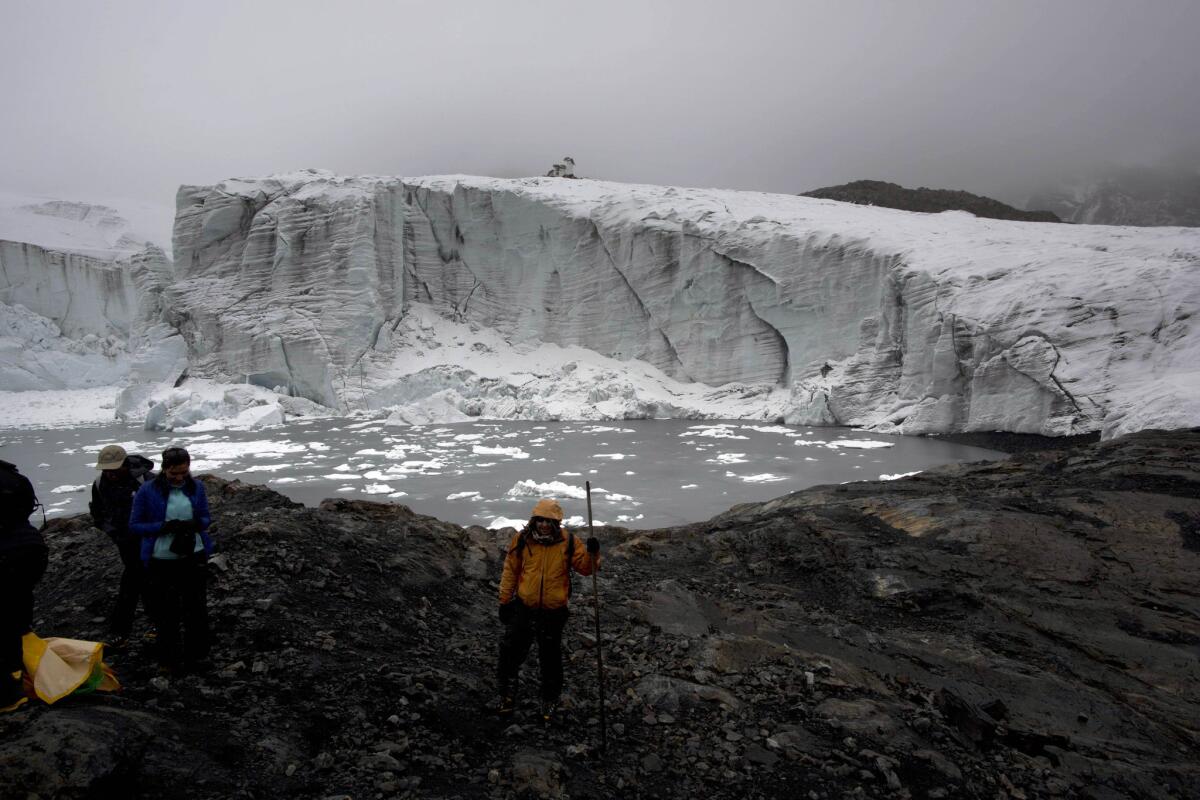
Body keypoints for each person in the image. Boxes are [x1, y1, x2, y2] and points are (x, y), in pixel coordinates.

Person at [497, 498, 600, 721]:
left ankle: (549, 699)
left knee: (550, 657)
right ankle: (507, 694)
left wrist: (593, 554)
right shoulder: (523, 540)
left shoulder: (569, 542)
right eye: (540, 520)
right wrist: (505, 600)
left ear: (556, 522)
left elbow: (585, 569)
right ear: (534, 520)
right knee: (511, 651)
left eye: (549, 520)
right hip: (525, 607)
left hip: (553, 611)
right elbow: (510, 571)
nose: (544, 524)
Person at [130, 446, 214, 675]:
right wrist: (163, 527)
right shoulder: (147, 491)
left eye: (183, 473)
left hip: (192, 555)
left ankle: (196, 656)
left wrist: (195, 525)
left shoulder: (196, 487)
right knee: (166, 611)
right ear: (164, 468)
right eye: (174, 473)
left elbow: (205, 516)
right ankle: (169, 659)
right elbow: (135, 525)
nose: (179, 478)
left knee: (195, 609)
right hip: (162, 560)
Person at [89, 444, 155, 645]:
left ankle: (122, 630)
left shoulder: (146, 480)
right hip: (125, 542)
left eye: (114, 469)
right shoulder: (100, 484)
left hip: (149, 540)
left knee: (140, 580)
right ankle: (151, 625)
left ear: (125, 464)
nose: (110, 474)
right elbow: (98, 514)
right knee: (140, 579)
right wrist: (114, 532)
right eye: (106, 470)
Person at [0, 460, 48, 713]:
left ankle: (7, 695)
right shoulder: (13, 476)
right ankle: (18, 681)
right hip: (31, 548)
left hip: (6, 552)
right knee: (15, 612)